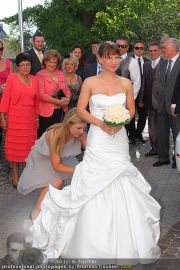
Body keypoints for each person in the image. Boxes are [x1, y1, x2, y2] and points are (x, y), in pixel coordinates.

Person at [30, 42, 161, 262]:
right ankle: (90, 241)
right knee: (94, 180)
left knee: (121, 180)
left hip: (117, 139)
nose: (113, 62)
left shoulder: (126, 83)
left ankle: (126, 243)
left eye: (116, 57)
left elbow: (130, 110)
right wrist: (101, 124)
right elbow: (81, 109)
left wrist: (121, 121)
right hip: (99, 139)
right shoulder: (90, 82)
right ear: (99, 59)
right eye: (108, 57)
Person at [18, 108, 86, 220]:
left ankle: (52, 207)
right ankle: (35, 214)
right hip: (42, 158)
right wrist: (80, 169)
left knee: (62, 181)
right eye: (78, 128)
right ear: (69, 125)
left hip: (59, 157)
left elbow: (91, 148)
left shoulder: (80, 133)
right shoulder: (55, 135)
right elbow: (57, 166)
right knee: (56, 181)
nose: (82, 132)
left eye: (83, 128)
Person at [0, 53, 39, 188]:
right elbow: (5, 99)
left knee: (28, 148)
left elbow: (36, 101)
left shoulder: (35, 79)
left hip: (29, 118)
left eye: (28, 64)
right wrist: (2, 117)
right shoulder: (12, 78)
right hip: (15, 117)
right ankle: (16, 175)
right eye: (22, 65)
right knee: (14, 147)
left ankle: (27, 175)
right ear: (17, 67)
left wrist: (37, 117)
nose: (26, 67)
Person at [153, 38, 180, 168]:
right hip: (162, 105)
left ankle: (177, 159)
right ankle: (163, 157)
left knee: (177, 134)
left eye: (165, 47)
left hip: (176, 107)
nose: (163, 49)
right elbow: (160, 85)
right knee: (162, 133)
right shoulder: (163, 63)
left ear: (175, 48)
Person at [36, 49, 71, 138]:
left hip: (61, 111)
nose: (52, 64)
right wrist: (57, 102)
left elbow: (67, 90)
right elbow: (41, 95)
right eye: (49, 62)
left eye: (54, 62)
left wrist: (67, 98)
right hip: (46, 112)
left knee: (57, 137)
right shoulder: (40, 75)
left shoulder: (60, 73)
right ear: (45, 62)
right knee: (46, 137)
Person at [142, 42, 164, 157]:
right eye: (150, 50)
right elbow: (144, 84)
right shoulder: (146, 65)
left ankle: (162, 152)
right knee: (151, 127)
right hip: (149, 102)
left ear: (160, 51)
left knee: (162, 129)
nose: (152, 53)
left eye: (155, 50)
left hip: (161, 103)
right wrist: (141, 99)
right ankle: (153, 148)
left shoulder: (165, 63)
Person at [130, 40, 149, 144]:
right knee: (131, 116)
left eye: (141, 48)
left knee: (142, 116)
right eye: (137, 48)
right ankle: (132, 137)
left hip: (144, 94)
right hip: (132, 93)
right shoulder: (129, 61)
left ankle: (138, 134)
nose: (139, 50)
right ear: (134, 49)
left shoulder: (147, 61)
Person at [0, 40, 13, 145]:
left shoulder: (8, 63)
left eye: (1, 49)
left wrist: (6, 86)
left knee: (5, 127)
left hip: (5, 99)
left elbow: (12, 80)